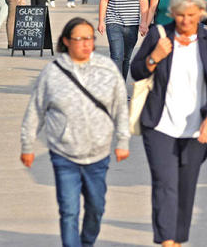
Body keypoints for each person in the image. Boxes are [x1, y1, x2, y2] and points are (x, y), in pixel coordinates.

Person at [20, 18, 130, 247]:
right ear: (66, 42)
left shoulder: (107, 69)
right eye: (79, 39)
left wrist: (123, 141)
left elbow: (120, 107)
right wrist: (27, 146)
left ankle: (87, 242)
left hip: (98, 154)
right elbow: (35, 111)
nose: (85, 44)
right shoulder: (52, 73)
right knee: (69, 210)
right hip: (64, 154)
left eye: (89, 38)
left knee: (96, 207)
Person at [130, 0, 207, 247]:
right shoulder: (159, 36)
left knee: (186, 185)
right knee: (164, 184)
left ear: (201, 14)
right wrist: (154, 58)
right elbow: (137, 71)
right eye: (181, 15)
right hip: (159, 124)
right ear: (173, 13)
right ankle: (167, 241)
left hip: (197, 126)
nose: (186, 21)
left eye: (192, 15)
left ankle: (179, 238)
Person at [98, 0, 149, 80]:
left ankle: (121, 88)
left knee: (126, 59)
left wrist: (144, 22)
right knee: (116, 56)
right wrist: (101, 21)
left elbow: (144, 1)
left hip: (132, 24)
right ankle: (116, 89)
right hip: (114, 22)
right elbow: (104, 0)